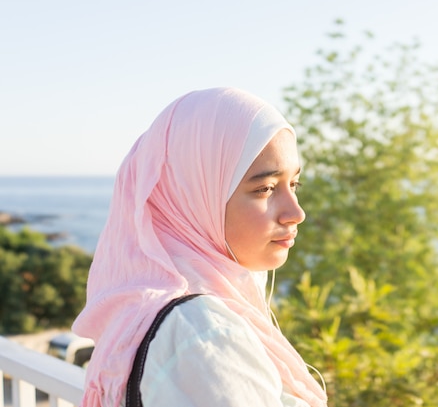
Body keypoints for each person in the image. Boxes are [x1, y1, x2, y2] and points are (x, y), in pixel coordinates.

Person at [72, 87, 328, 407]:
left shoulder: (145, 304)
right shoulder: (202, 333)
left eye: (294, 185)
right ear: (193, 194)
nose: (296, 213)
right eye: (265, 188)